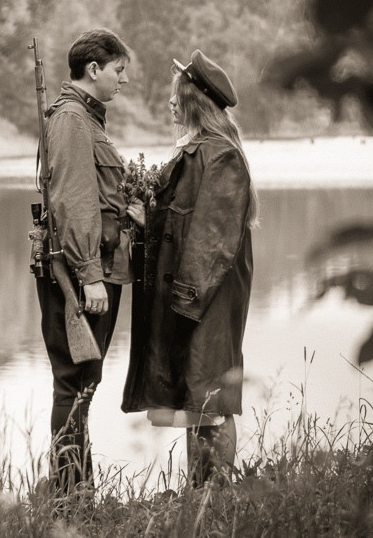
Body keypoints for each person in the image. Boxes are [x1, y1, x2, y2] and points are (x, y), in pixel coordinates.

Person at [122, 49, 257, 487]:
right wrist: (147, 217)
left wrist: (184, 301)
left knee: (211, 397)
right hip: (193, 298)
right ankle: (199, 493)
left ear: (192, 101)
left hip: (206, 298)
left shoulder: (220, 156)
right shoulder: (196, 151)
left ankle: (216, 494)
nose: (169, 103)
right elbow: (182, 223)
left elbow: (212, 241)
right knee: (194, 398)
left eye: (174, 96)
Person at [35, 28, 134, 495]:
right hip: (80, 275)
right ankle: (69, 499)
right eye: (119, 70)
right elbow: (73, 202)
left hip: (85, 271)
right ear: (94, 70)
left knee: (81, 385)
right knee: (74, 384)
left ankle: (76, 491)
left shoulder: (83, 118)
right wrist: (91, 275)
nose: (124, 80)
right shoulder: (74, 119)